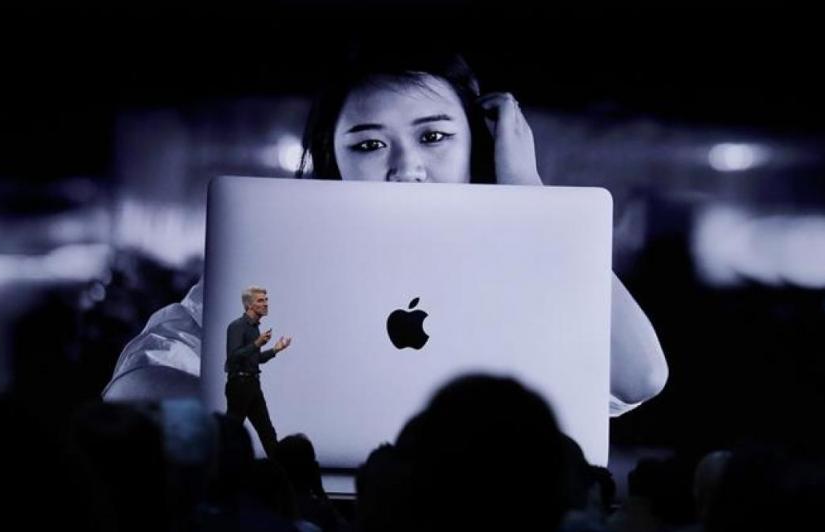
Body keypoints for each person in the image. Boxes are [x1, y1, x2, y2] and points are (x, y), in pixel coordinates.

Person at [105, 45, 667, 416]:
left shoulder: (527, 266)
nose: (407, 167)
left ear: (481, 143)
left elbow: (639, 376)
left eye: (435, 137)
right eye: (370, 145)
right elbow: (137, 385)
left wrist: (531, 192)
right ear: (334, 159)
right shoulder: (281, 268)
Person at [224, 286, 291, 457]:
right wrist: (257, 344)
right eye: (261, 300)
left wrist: (275, 350)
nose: (266, 303)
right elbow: (232, 357)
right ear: (248, 306)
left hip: (252, 383)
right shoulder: (237, 326)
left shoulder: (255, 328)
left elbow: (256, 359)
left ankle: (281, 475)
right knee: (231, 434)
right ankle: (220, 472)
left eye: (266, 299)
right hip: (239, 385)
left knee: (267, 431)